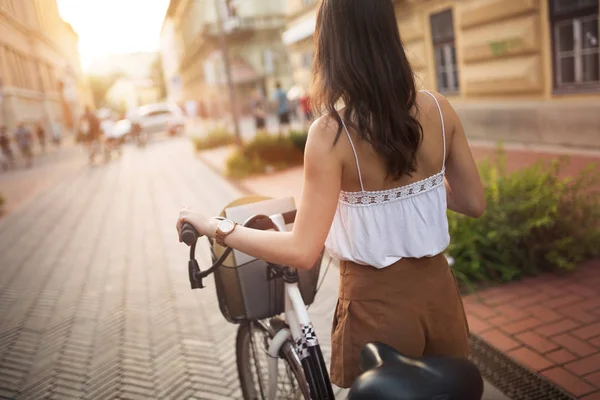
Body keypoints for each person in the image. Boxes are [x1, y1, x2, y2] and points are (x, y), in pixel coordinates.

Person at [176, 0, 485, 389]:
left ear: (332, 47)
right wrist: (415, 191)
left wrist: (216, 225)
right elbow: (473, 203)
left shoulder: (331, 135)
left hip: (379, 310)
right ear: (390, 33)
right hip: (442, 301)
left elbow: (302, 250)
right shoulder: (440, 108)